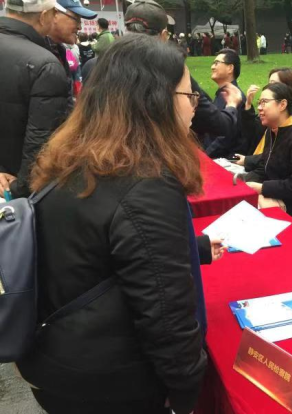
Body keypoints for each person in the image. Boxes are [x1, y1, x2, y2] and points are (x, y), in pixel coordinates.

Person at [17, 34, 208, 414]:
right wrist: (187, 393)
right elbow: (166, 315)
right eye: (190, 95)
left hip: (55, 358)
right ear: (157, 100)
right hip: (111, 383)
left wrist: (196, 248)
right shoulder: (147, 183)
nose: (194, 107)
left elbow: (93, 251)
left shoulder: (74, 160)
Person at [80, 0, 242, 142]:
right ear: (164, 35)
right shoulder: (171, 70)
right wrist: (231, 105)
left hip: (96, 154)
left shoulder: (93, 66)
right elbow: (218, 124)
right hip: (153, 159)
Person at [0, 0, 70, 199]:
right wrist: (18, 189)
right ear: (43, 16)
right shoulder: (45, 64)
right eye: (54, 13)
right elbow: (40, 139)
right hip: (18, 189)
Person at [244, 83, 292, 218]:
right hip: (274, 198)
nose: (259, 108)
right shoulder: (273, 130)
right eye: (259, 103)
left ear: (282, 105)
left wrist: (263, 188)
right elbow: (264, 167)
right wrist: (242, 182)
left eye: (264, 102)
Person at [236, 67, 292, 170]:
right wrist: (248, 103)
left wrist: (248, 160)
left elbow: (277, 154)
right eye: (269, 83)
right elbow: (252, 131)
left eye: (274, 84)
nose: (269, 88)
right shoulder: (270, 115)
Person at [46, 0, 96, 100]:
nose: (79, 27)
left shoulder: (60, 51)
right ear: (55, 14)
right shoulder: (35, 55)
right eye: (76, 19)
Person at [201, 48, 246, 158]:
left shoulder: (234, 97)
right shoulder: (222, 94)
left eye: (217, 63)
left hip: (225, 160)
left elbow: (226, 137)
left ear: (230, 68)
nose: (212, 67)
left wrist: (205, 156)